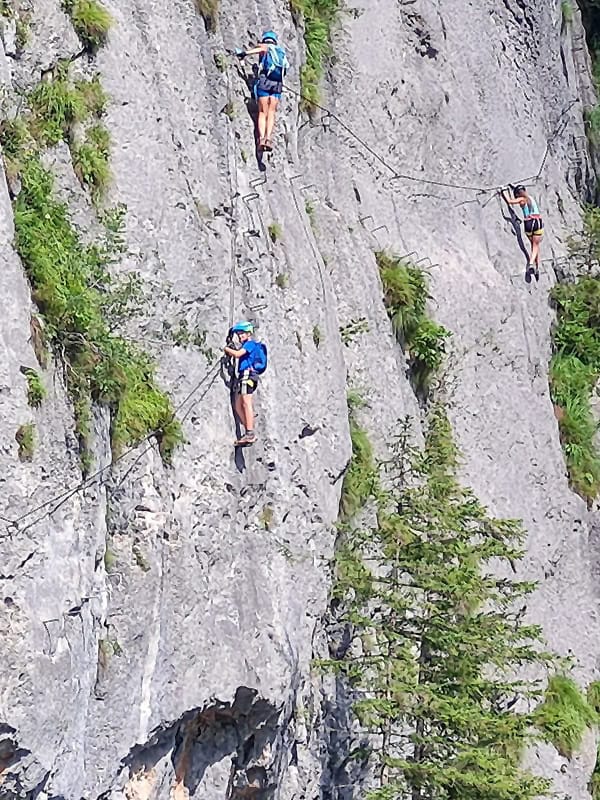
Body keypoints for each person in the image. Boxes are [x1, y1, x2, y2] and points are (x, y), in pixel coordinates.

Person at [236, 31, 288, 151]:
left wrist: (244, 53)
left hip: (265, 82)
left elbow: (259, 50)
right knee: (271, 112)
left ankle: (261, 139)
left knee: (262, 112)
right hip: (277, 84)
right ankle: (268, 138)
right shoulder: (280, 52)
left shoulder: (265, 47)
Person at [224, 321, 264, 446]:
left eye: (242, 333)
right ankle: (248, 426)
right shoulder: (247, 345)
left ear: (248, 333)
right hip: (244, 376)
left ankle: (250, 433)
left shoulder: (250, 344)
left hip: (247, 375)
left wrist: (226, 349)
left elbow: (237, 354)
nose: (240, 336)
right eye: (238, 334)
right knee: (237, 405)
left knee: (246, 403)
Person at [501, 185, 544, 279]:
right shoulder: (530, 198)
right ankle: (533, 265)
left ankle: (536, 267)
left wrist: (503, 191)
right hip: (537, 221)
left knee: (534, 246)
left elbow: (509, 201)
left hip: (528, 223)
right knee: (536, 246)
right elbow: (520, 193)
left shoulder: (521, 200)